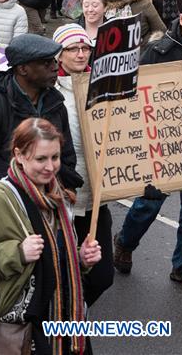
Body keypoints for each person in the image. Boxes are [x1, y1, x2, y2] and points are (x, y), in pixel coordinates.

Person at [0, 118, 102, 355]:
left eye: (55, 157)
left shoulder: (58, 195)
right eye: (41, 159)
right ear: (19, 155)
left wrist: (81, 259)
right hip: (24, 326)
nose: (50, 167)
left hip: (65, 319)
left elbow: (59, 259)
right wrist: (16, 253)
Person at [113, 0, 182, 290]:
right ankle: (125, 242)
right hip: (163, 138)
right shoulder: (157, 51)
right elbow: (135, 92)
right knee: (149, 203)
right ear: (181, 18)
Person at [0, 33, 83, 209]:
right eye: (46, 63)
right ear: (23, 69)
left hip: (48, 212)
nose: (55, 67)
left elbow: (67, 157)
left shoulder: (56, 106)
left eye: (54, 61)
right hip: (7, 216)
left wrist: (63, 193)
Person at [52, 23, 115, 306]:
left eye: (85, 48)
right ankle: (59, 322)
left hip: (96, 197)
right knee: (60, 273)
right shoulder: (50, 90)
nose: (80, 54)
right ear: (58, 55)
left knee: (101, 276)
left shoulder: (106, 84)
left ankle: (71, 311)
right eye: (72, 49)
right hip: (62, 196)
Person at [100, 0, 167, 46]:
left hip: (112, 53)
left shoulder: (103, 3)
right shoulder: (143, 2)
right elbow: (161, 29)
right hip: (141, 51)